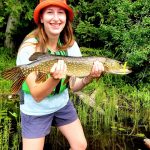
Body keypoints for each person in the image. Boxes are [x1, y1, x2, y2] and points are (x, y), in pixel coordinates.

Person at [16, 0, 104, 150]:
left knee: (80, 145)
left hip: (61, 104)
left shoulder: (70, 45)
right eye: (50, 12)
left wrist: (89, 77)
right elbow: (37, 95)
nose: (56, 18)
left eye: (60, 12)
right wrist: (55, 79)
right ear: (41, 18)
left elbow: (74, 87)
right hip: (35, 109)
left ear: (66, 18)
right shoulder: (28, 48)